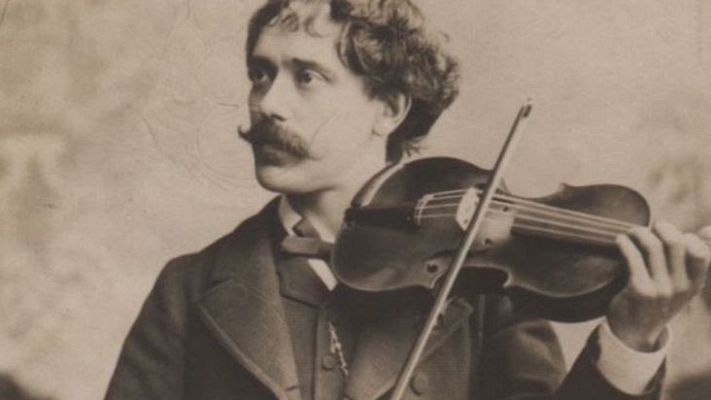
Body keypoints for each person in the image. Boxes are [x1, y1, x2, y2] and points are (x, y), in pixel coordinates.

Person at [104, 1, 711, 399]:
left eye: (305, 77)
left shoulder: (481, 288)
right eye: (261, 74)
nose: (268, 103)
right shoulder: (189, 287)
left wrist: (632, 334)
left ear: (389, 109)